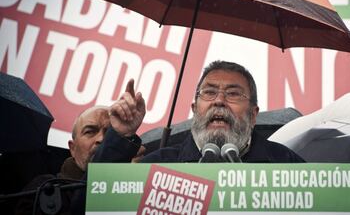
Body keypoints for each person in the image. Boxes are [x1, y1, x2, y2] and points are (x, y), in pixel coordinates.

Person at [92, 60, 304, 163]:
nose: (219, 101)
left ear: (253, 114)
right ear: (195, 109)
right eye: (209, 92)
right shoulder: (159, 165)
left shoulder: (285, 164)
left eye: (233, 94)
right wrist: (119, 136)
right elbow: (91, 205)